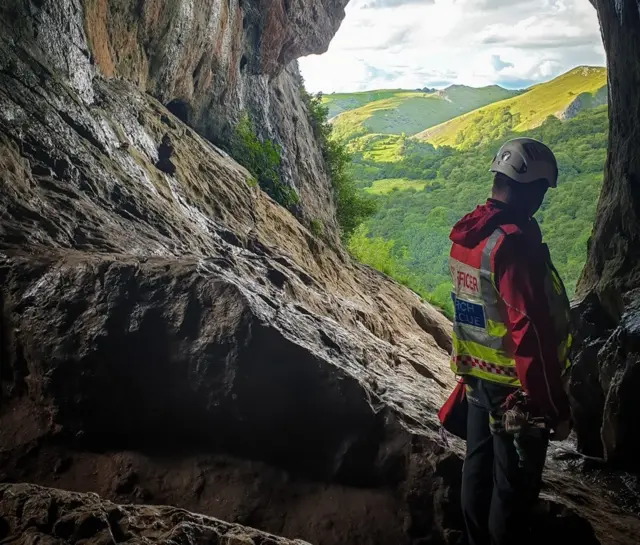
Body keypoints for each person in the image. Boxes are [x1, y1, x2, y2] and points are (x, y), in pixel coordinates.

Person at [447, 138, 572, 545]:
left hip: (477, 380)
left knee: (477, 472)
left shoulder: (470, 235)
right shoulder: (513, 245)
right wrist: (551, 406)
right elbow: (530, 333)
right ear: (527, 188)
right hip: (514, 391)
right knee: (513, 490)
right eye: (540, 192)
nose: (539, 202)